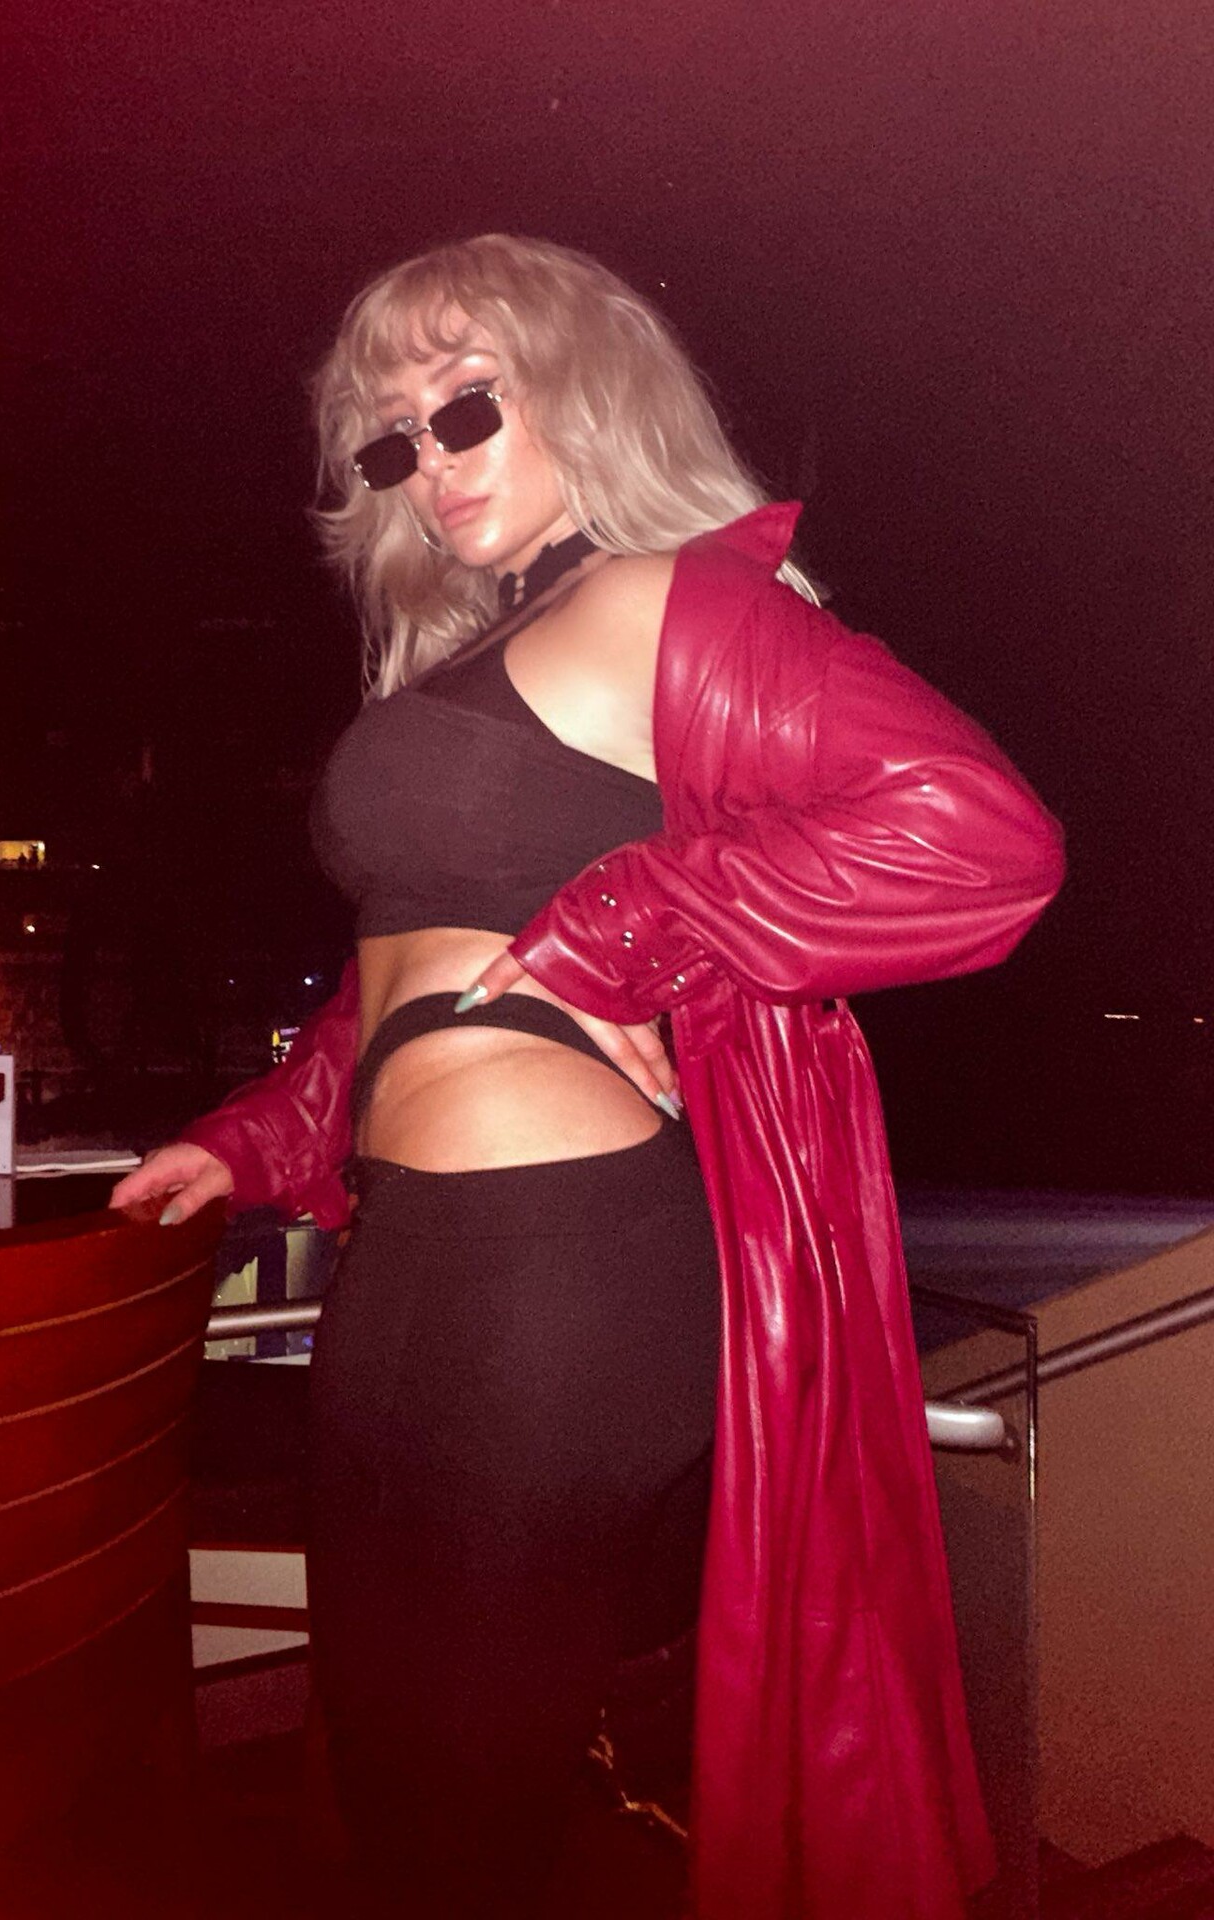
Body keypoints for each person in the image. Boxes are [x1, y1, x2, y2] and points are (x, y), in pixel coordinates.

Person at [112, 234, 1064, 1918]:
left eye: (465, 406)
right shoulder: (493, 641)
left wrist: (629, 923)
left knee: (457, 1801)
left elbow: (984, 839)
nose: (426, 460)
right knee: (393, 1761)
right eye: (391, 439)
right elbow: (419, 964)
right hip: (420, 1252)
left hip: (562, 1268)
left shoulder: (668, 600)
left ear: (584, 388)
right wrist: (256, 1139)